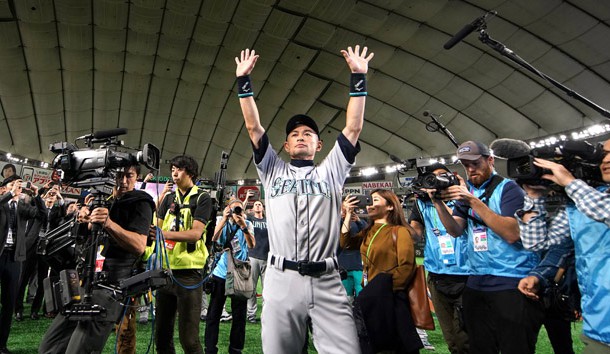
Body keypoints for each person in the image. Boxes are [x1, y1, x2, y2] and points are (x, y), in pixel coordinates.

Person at [234, 45, 373, 353]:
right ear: (285, 145)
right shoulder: (271, 169)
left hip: (327, 279)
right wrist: (244, 83)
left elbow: (353, 127)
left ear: (319, 145)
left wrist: (358, 77)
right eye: (295, 133)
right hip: (281, 278)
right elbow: (253, 127)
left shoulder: (332, 171)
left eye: (308, 133)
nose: (300, 135)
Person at [432, 141, 543, 353]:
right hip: (477, 282)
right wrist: (438, 203)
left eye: (475, 163)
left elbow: (511, 233)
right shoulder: (468, 193)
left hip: (510, 281)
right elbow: (455, 230)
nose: (470, 169)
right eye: (466, 165)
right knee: (480, 347)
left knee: (515, 347)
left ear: (490, 160)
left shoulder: (509, 188)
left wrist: (473, 201)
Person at [38, 164, 155, 354]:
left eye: (129, 176)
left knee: (80, 350)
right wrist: (83, 221)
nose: (124, 181)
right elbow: (83, 239)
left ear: (137, 177)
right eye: (119, 175)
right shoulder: (104, 200)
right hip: (83, 282)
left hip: (110, 287)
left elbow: (139, 246)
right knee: (49, 348)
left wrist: (108, 223)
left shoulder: (140, 202)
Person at [516, 140, 610, 353]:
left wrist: (570, 183)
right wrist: (535, 197)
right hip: (598, 326)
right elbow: (550, 246)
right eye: (602, 154)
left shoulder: (588, 199)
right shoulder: (581, 204)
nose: (607, 159)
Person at [342, 189, 422, 353]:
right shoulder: (369, 231)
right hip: (372, 297)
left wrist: (381, 290)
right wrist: (348, 215)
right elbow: (346, 243)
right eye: (369, 200)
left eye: (375, 200)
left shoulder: (400, 231)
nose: (370, 203)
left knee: (394, 346)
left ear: (391, 206)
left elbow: (406, 267)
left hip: (391, 298)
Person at [407, 163, 469, 354]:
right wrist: (396, 216)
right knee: (452, 340)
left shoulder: (464, 198)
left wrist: (439, 201)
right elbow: (415, 235)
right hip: (437, 275)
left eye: (442, 176)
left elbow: (457, 229)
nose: (437, 182)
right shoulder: (421, 204)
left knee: (467, 337)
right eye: (432, 178)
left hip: (466, 274)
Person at [154, 155, 212, 354]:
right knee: (161, 337)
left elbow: (195, 234)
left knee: (189, 340)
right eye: (172, 169)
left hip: (189, 274)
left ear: (191, 173)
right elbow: (156, 229)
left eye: (179, 169)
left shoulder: (202, 198)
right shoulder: (169, 198)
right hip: (165, 272)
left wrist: (163, 234)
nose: (174, 173)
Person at [205, 199, 255, 353]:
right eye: (234, 209)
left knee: (239, 316)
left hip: (239, 273)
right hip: (221, 273)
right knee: (214, 313)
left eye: (239, 209)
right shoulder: (222, 220)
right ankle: (210, 348)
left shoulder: (247, 224)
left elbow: (252, 245)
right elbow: (213, 238)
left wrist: (243, 226)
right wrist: (225, 218)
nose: (237, 213)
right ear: (228, 209)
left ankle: (235, 349)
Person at [0, 176, 42, 354]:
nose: (17, 189)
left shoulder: (22, 207)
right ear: (3, 189)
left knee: (8, 303)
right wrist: (10, 193)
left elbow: (42, 215)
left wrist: (37, 196)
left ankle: (1, 344)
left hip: (14, 259)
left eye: (18, 186)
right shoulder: (2, 202)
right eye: (12, 185)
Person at [338, 197, 367, 302]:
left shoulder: (358, 221)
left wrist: (359, 221)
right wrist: (343, 216)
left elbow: (367, 234)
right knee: (346, 296)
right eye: (346, 204)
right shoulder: (335, 220)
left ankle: (361, 315)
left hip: (357, 264)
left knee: (362, 292)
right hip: (342, 265)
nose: (349, 206)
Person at [246, 199, 268, 323]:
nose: (258, 206)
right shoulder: (250, 220)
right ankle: (251, 314)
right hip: (253, 256)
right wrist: (246, 199)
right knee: (252, 288)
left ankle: (266, 315)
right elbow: (240, 213)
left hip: (266, 258)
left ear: (263, 208)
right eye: (256, 204)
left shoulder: (268, 221)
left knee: (267, 289)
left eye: (260, 204)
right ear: (253, 208)